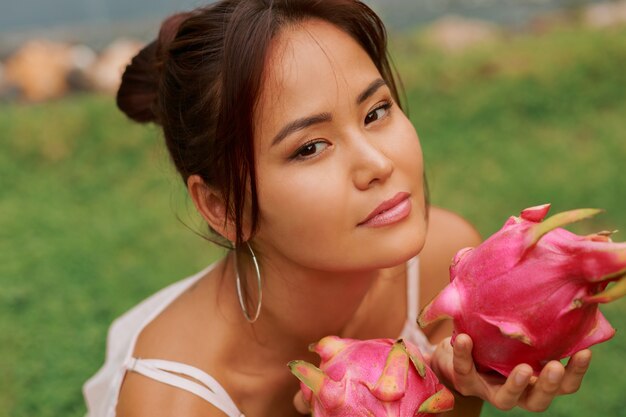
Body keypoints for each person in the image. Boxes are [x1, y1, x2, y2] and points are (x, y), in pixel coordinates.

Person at [83, 1, 592, 416]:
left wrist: (453, 384)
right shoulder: (176, 404)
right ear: (222, 206)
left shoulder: (443, 263)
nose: (376, 163)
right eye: (310, 147)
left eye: (376, 112)